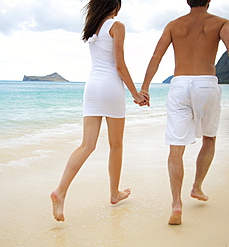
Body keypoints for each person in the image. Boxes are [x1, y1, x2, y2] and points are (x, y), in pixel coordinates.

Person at [140, 0, 229, 225]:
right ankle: (197, 186)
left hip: (179, 84)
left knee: (176, 146)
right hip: (206, 84)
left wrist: (144, 88)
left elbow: (156, 56)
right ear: (209, 0)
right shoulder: (220, 23)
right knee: (209, 138)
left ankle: (176, 204)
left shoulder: (174, 25)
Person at [50, 0, 146, 222]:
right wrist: (135, 93)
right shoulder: (116, 26)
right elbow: (119, 65)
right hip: (111, 87)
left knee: (87, 145)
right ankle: (114, 194)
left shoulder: (92, 29)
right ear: (115, 6)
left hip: (92, 87)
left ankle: (60, 191)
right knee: (116, 145)